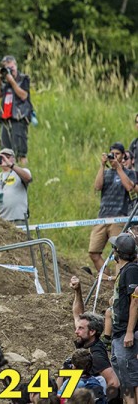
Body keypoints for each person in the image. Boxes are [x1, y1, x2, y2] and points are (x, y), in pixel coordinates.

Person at [69, 275, 120, 399]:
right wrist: (78, 291)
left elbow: (114, 382)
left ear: (92, 332)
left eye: (80, 328)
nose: (76, 331)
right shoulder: (87, 342)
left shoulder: (95, 355)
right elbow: (77, 314)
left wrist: (101, 400)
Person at [89, 143, 136, 273]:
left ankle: (120, 283)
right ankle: (109, 281)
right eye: (112, 154)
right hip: (103, 217)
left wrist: (118, 168)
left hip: (119, 217)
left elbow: (130, 187)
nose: (114, 156)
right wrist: (102, 165)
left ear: (123, 156)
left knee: (120, 254)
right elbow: (97, 187)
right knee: (93, 252)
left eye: (117, 154)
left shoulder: (129, 173)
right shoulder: (106, 173)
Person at [109, 234, 138, 403]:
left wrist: (129, 332)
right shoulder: (125, 270)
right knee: (126, 383)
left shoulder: (132, 270)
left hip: (126, 334)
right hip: (119, 333)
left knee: (132, 382)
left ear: (118, 252)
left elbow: (135, 301)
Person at [0, 55, 32, 165]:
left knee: (20, 152)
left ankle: (24, 175)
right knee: (4, 152)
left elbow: (24, 95)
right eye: (7, 68)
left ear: (15, 66)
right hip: (5, 119)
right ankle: (6, 177)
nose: (10, 71)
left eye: (11, 68)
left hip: (18, 118)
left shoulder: (24, 79)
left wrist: (12, 82)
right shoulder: (4, 82)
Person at [0, 147, 32, 224]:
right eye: (2, 158)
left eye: (7, 157)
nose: (4, 160)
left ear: (13, 159)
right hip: (1, 220)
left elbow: (28, 178)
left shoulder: (20, 172)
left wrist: (11, 165)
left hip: (18, 218)